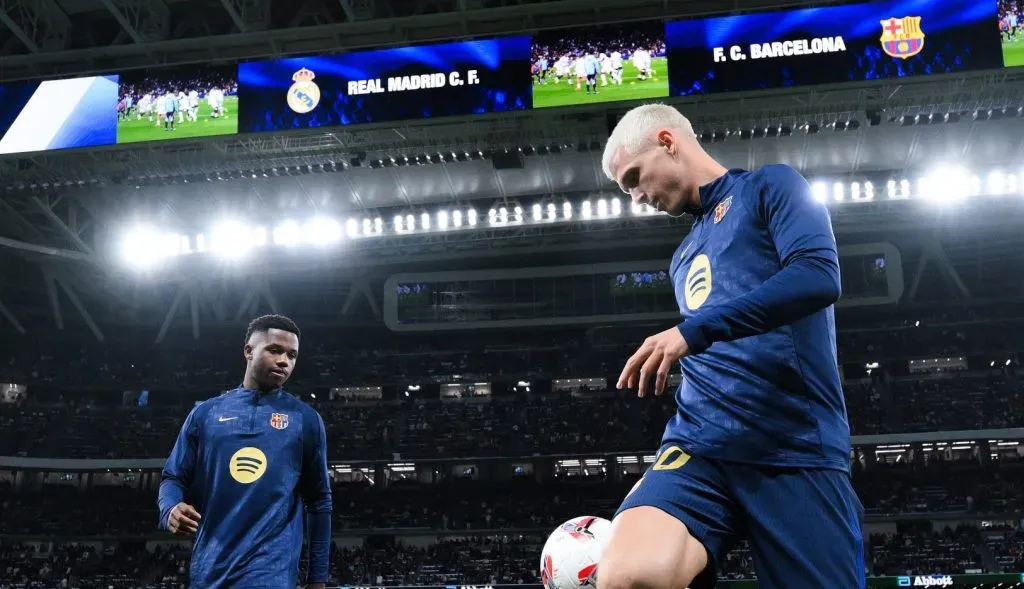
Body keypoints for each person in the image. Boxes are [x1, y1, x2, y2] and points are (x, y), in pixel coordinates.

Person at [597, 104, 864, 589]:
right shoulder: (682, 257)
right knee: (629, 575)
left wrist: (691, 332)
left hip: (792, 446)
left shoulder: (772, 187)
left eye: (634, 177)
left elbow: (818, 276)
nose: (636, 197)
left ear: (667, 141)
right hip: (700, 443)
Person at [158, 314, 332, 589]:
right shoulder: (205, 414)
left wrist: (318, 580)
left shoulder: (305, 420)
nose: (284, 361)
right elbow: (173, 477)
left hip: (271, 574)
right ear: (249, 351)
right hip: (209, 573)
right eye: (275, 350)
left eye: (292, 355)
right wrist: (169, 509)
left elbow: (320, 501)